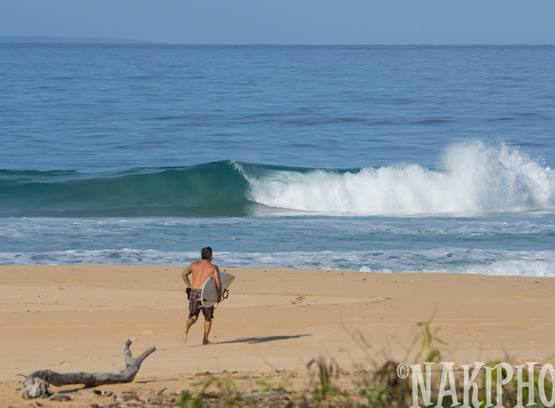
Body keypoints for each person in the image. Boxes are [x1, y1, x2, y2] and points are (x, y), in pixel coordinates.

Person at [182, 247, 222, 345]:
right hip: (206, 293)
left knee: (193, 316)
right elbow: (218, 284)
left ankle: (186, 328)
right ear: (211, 256)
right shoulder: (213, 267)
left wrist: (189, 286)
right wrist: (219, 296)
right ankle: (205, 339)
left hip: (194, 292)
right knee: (208, 318)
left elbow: (184, 274)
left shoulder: (194, 265)